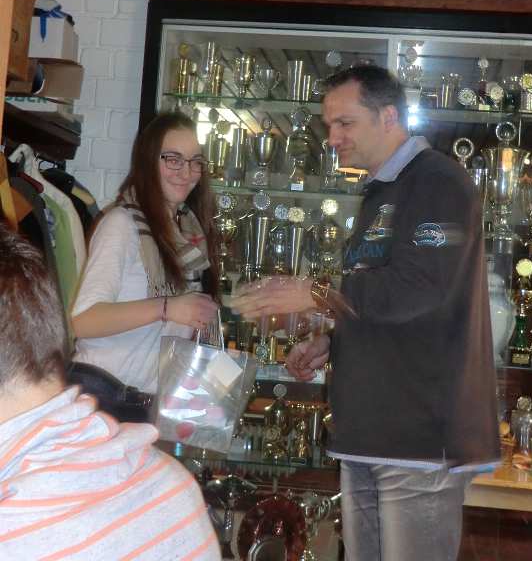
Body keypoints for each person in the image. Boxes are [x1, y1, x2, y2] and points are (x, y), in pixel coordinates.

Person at [232, 64, 499, 561]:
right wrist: (333, 341)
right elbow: (383, 300)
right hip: (367, 434)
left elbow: (421, 287)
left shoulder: (438, 181)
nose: (332, 137)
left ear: (388, 116)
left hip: (417, 440)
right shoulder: (379, 191)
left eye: (345, 123)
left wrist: (313, 292)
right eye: (328, 125)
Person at [0, 222, 221, 560]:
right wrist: (166, 307)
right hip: (114, 422)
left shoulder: (181, 228)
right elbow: (82, 319)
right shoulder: (175, 487)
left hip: (129, 412)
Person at [71, 111, 220, 395]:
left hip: (148, 401)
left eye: (195, 162)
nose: (186, 172)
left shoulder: (189, 234)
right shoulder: (121, 225)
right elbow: (83, 321)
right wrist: (167, 308)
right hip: (104, 398)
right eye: (173, 159)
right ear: (148, 161)